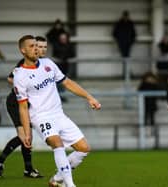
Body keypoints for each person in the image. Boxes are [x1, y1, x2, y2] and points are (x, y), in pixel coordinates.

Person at [13, 35, 101, 187]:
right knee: (58, 144)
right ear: (23, 50)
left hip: (58, 114)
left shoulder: (48, 64)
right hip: (40, 117)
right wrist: (27, 132)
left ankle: (57, 179)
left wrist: (89, 97)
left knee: (83, 149)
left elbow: (67, 82)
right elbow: (23, 106)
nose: (36, 49)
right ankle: (70, 185)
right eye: (32, 46)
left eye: (37, 45)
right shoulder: (20, 75)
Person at [0, 36, 47, 178]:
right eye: (38, 46)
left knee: (28, 137)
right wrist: (22, 87)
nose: (40, 49)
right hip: (15, 103)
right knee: (24, 136)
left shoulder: (43, 65)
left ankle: (28, 169)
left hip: (27, 104)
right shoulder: (25, 63)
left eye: (43, 47)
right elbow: (10, 78)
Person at [113, 10, 136, 78]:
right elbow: (114, 33)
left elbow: (134, 34)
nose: (126, 18)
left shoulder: (130, 23)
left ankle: (127, 74)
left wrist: (131, 42)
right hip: (122, 44)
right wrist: (119, 41)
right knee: (125, 59)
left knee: (127, 59)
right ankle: (127, 74)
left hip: (128, 44)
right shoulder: (119, 23)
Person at [53, 32, 75, 102]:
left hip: (66, 66)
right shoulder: (56, 45)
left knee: (64, 82)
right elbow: (55, 55)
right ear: (59, 39)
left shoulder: (69, 45)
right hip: (58, 66)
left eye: (64, 38)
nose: (63, 40)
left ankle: (62, 96)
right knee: (57, 83)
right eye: (62, 38)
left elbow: (72, 55)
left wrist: (66, 58)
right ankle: (58, 97)